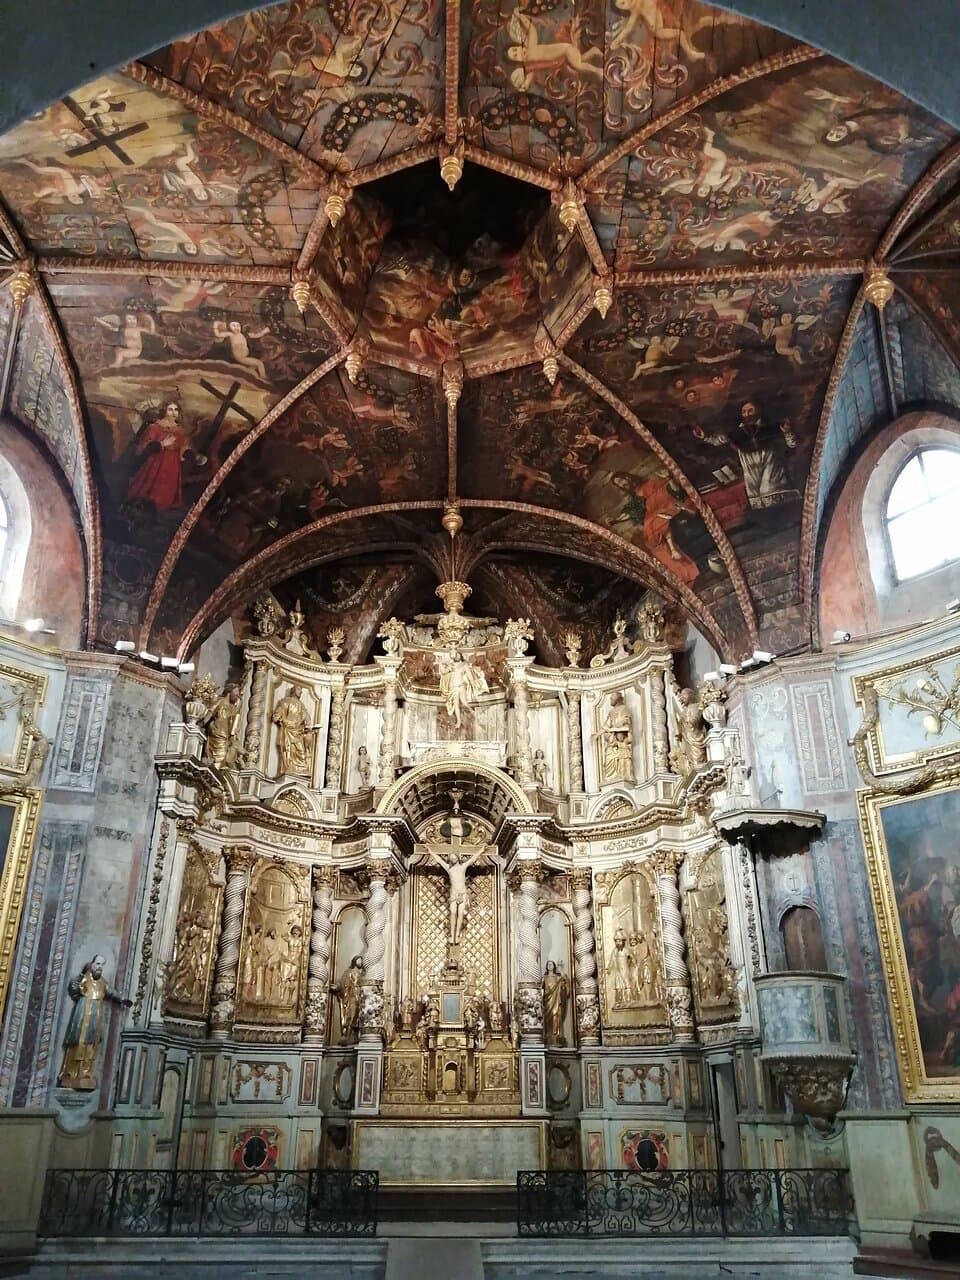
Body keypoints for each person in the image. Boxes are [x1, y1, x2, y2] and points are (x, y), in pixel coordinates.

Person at [58, 956, 131, 1091]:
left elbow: (112, 992)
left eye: (102, 965)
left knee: (92, 1044)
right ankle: (71, 1073)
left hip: (95, 1017)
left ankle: (86, 1073)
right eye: (97, 964)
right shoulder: (84, 979)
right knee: (78, 1042)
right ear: (91, 964)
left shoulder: (102, 983)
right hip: (83, 1013)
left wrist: (122, 999)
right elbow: (73, 987)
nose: (99, 967)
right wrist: (81, 975)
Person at [127, 402, 193, 512]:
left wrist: (187, 453)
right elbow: (145, 446)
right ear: (164, 411)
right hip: (156, 462)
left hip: (172, 464)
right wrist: (162, 444)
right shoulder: (155, 427)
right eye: (170, 409)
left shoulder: (180, 431)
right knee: (149, 487)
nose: (173, 413)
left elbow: (183, 446)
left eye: (176, 410)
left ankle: (161, 509)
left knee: (167, 489)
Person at [433, 846, 484, 946]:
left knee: (460, 914)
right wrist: (430, 851)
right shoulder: (449, 868)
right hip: (453, 894)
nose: (453, 859)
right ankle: (452, 934)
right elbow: (438, 860)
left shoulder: (462, 867)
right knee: (452, 913)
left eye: (454, 857)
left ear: (457, 858)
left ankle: (457, 934)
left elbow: (473, 859)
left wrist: (481, 850)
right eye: (451, 858)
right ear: (450, 860)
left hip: (462, 893)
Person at [273, 684, 316, 776]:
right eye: (299, 689)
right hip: (288, 730)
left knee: (301, 751)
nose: (301, 692)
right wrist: (277, 715)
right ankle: (289, 768)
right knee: (288, 751)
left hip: (298, 732)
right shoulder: (287, 701)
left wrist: (309, 724)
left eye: (301, 690)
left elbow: (307, 717)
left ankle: (301, 769)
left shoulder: (301, 705)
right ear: (293, 690)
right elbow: (280, 710)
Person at [335, 956, 364, 1044]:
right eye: (359, 960)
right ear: (355, 961)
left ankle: (354, 1036)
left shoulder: (361, 973)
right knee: (351, 1016)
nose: (361, 962)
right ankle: (347, 1035)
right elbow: (343, 983)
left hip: (359, 997)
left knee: (357, 1017)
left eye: (361, 961)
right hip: (352, 996)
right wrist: (338, 987)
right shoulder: (349, 972)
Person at [542, 960, 570, 1047]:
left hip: (556, 1001)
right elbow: (540, 989)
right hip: (547, 1002)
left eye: (551, 964)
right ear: (546, 966)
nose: (550, 966)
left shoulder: (557, 977)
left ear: (554, 966)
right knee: (547, 1020)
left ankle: (556, 1037)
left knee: (556, 1017)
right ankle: (549, 1037)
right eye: (548, 964)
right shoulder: (544, 978)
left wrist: (561, 970)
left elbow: (566, 981)